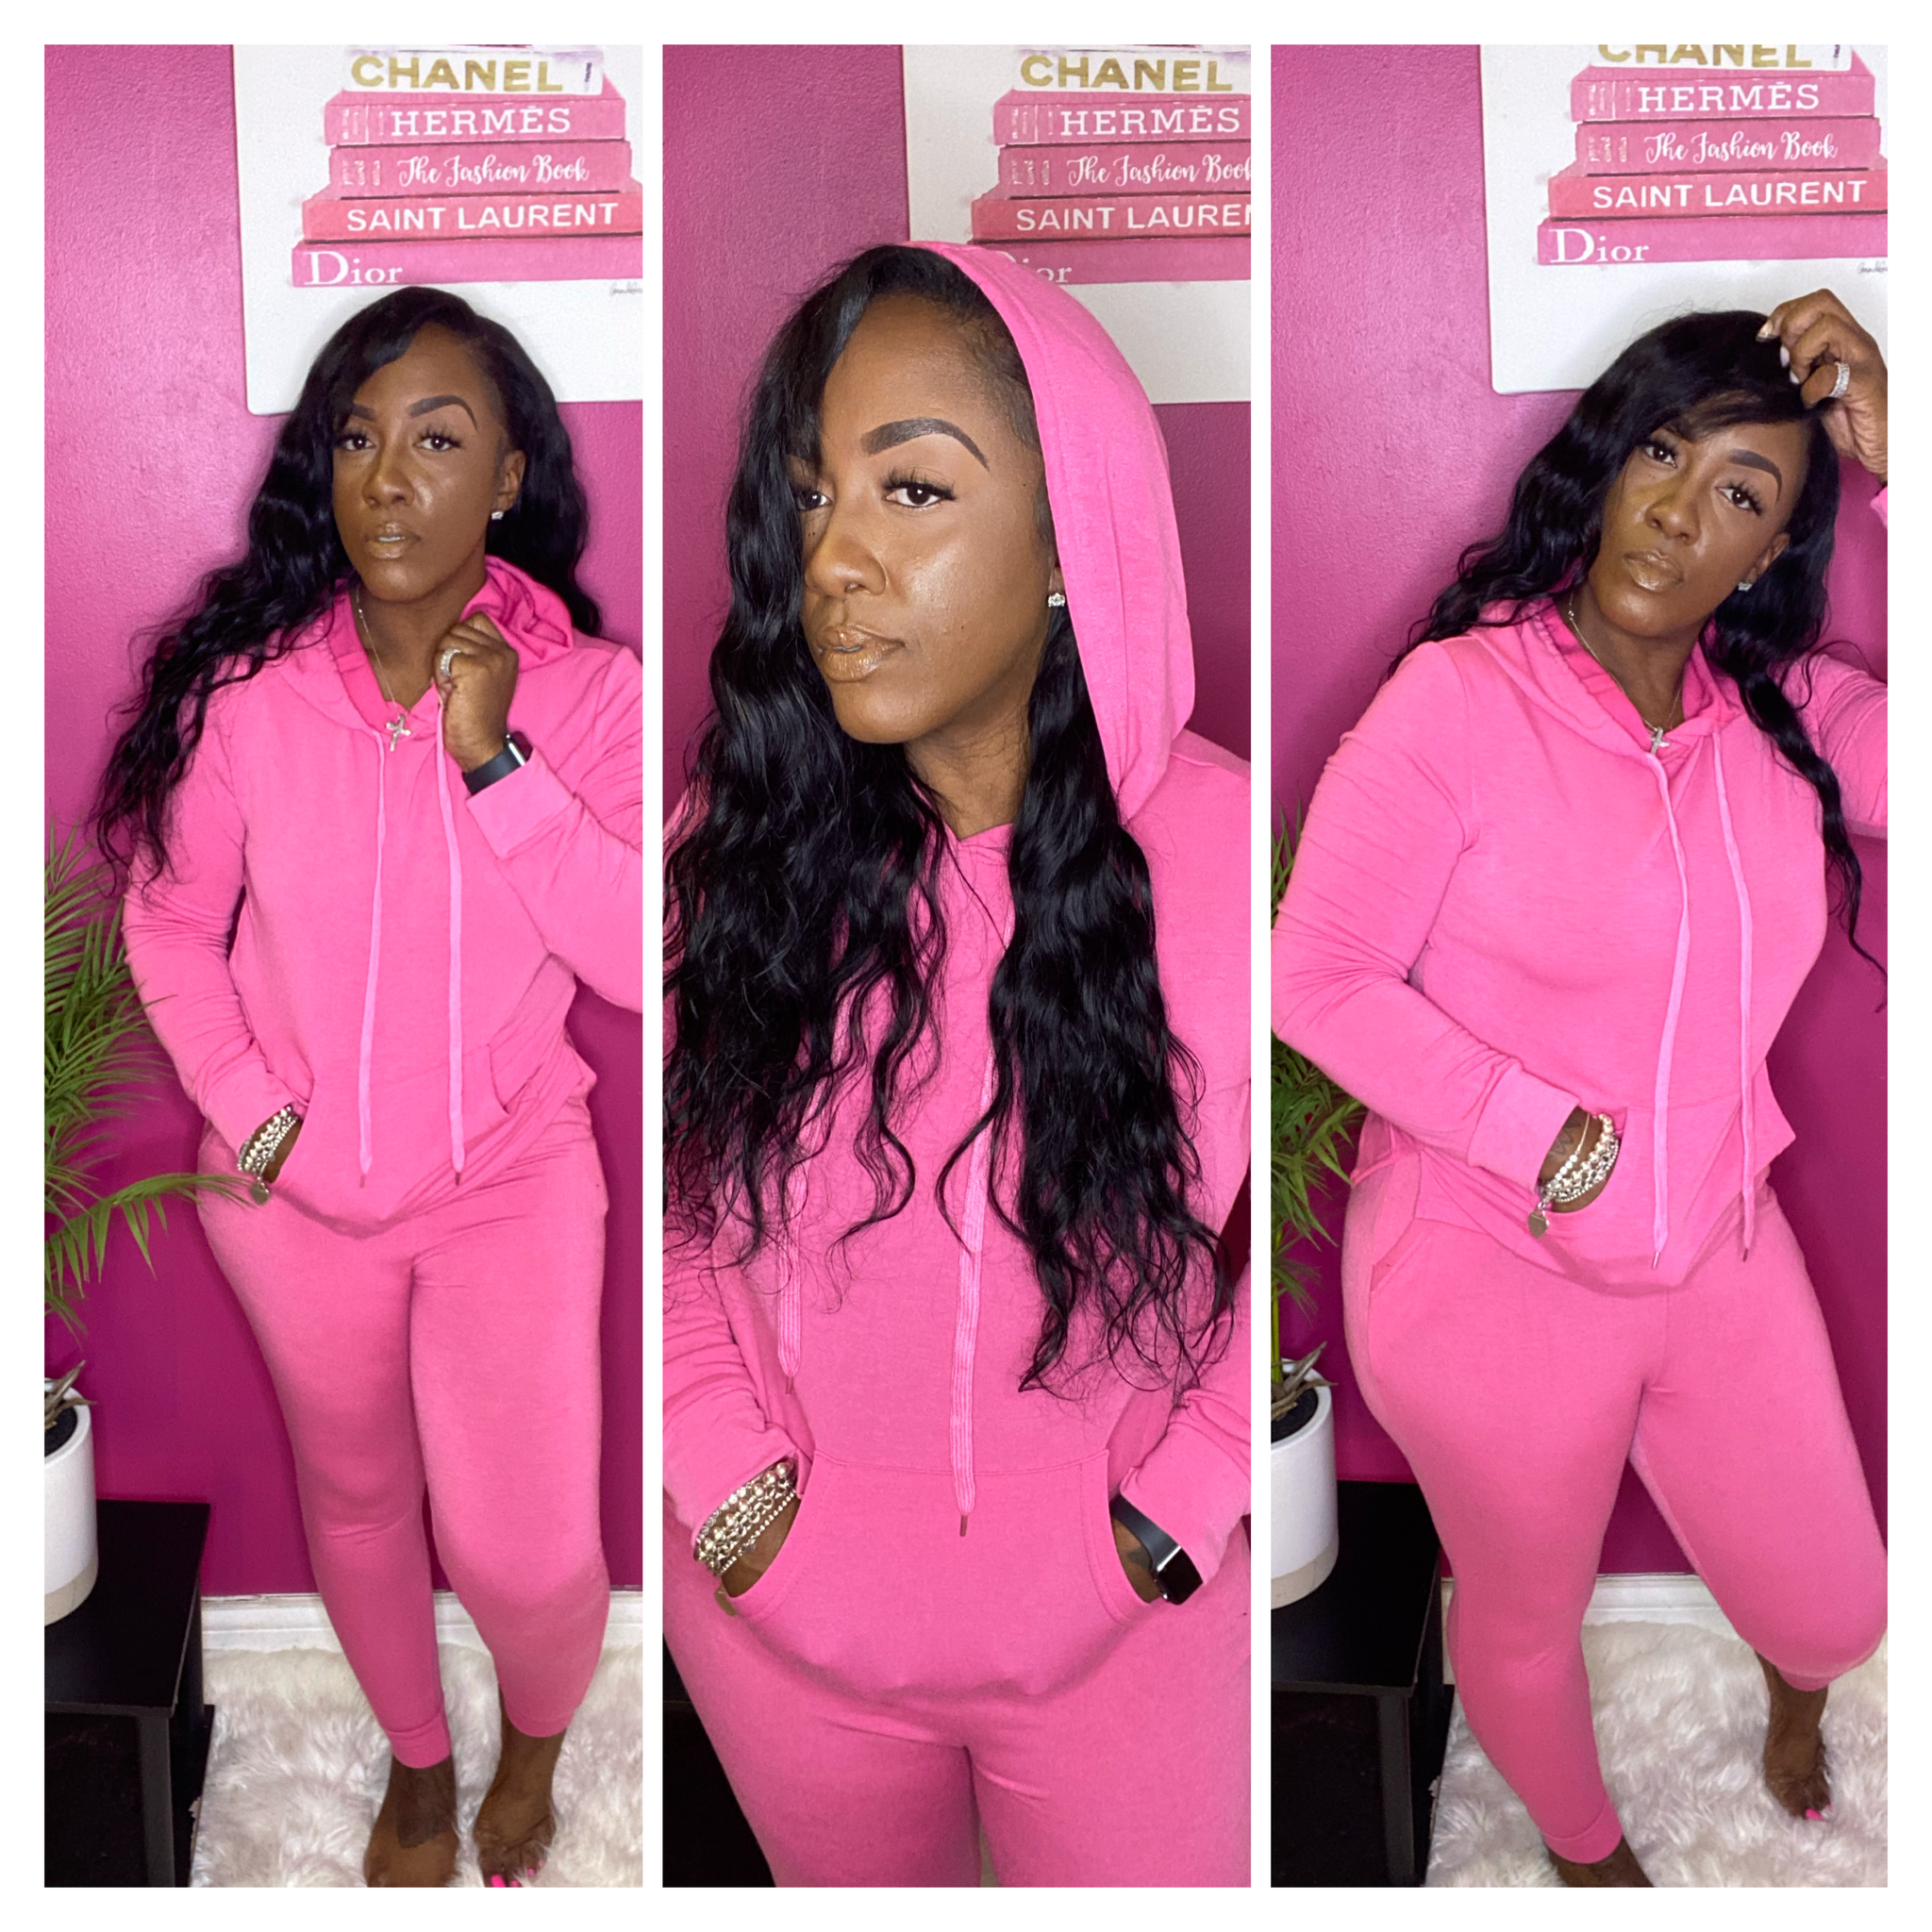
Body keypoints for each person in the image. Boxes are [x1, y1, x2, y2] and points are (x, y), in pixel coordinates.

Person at [1273, 291, 1889, 1886]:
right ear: (1609, 458)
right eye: (1663, 454)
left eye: (1740, 492)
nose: (1679, 514)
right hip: (1490, 1267)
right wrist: (1537, 1132)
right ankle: (1587, 1854)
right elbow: (1312, 974)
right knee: (1524, 1617)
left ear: (1771, 549)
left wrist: (1899, 468)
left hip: (1716, 1249)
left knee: (1840, 1604)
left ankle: (1801, 1693)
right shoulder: (1459, 703)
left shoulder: (1792, 717)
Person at [662, 242, 1250, 1887]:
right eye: (810, 496)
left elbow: (1297, 1218)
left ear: (1072, 540)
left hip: (1123, 1625)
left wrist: (1181, 1504)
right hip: (782, 1629)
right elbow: (673, 1206)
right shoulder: (730, 848)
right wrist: (732, 1497)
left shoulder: (1227, 862)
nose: (832, 560)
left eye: (911, 490)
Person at [98, 288, 643, 1888]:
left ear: (509, 480)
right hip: (292, 1201)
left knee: (527, 1551)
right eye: (356, 438)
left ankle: (535, 1743)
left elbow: (643, 958)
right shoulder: (254, 697)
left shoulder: (590, 696)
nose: (390, 478)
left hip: (508, 1184)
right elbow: (170, 923)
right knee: (353, 1500)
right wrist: (256, 1105)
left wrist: (494, 758)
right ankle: (416, 1759)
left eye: (439, 440)